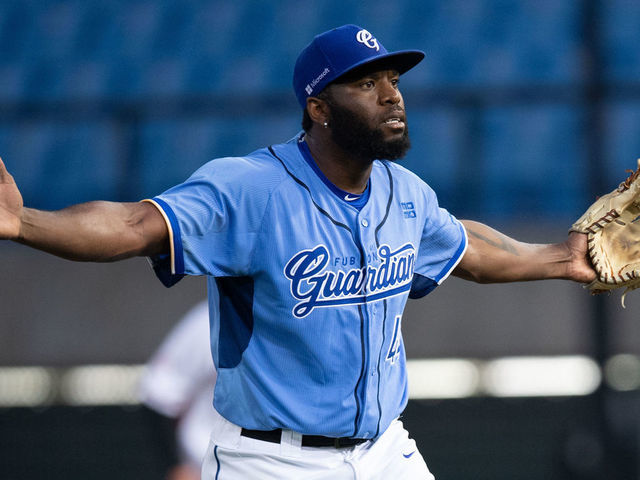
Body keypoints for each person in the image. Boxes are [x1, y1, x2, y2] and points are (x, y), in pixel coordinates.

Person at [0, 24, 595, 479]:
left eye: (395, 80)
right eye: (367, 83)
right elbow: (134, 225)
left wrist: (562, 260)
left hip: (387, 451)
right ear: (318, 108)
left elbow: (468, 249)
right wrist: (25, 223)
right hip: (272, 462)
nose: (392, 97)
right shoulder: (250, 189)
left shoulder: (404, 192)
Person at [138, 300, 218, 480]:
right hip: (204, 467)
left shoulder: (291, 323)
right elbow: (157, 396)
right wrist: (174, 466)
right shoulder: (211, 320)